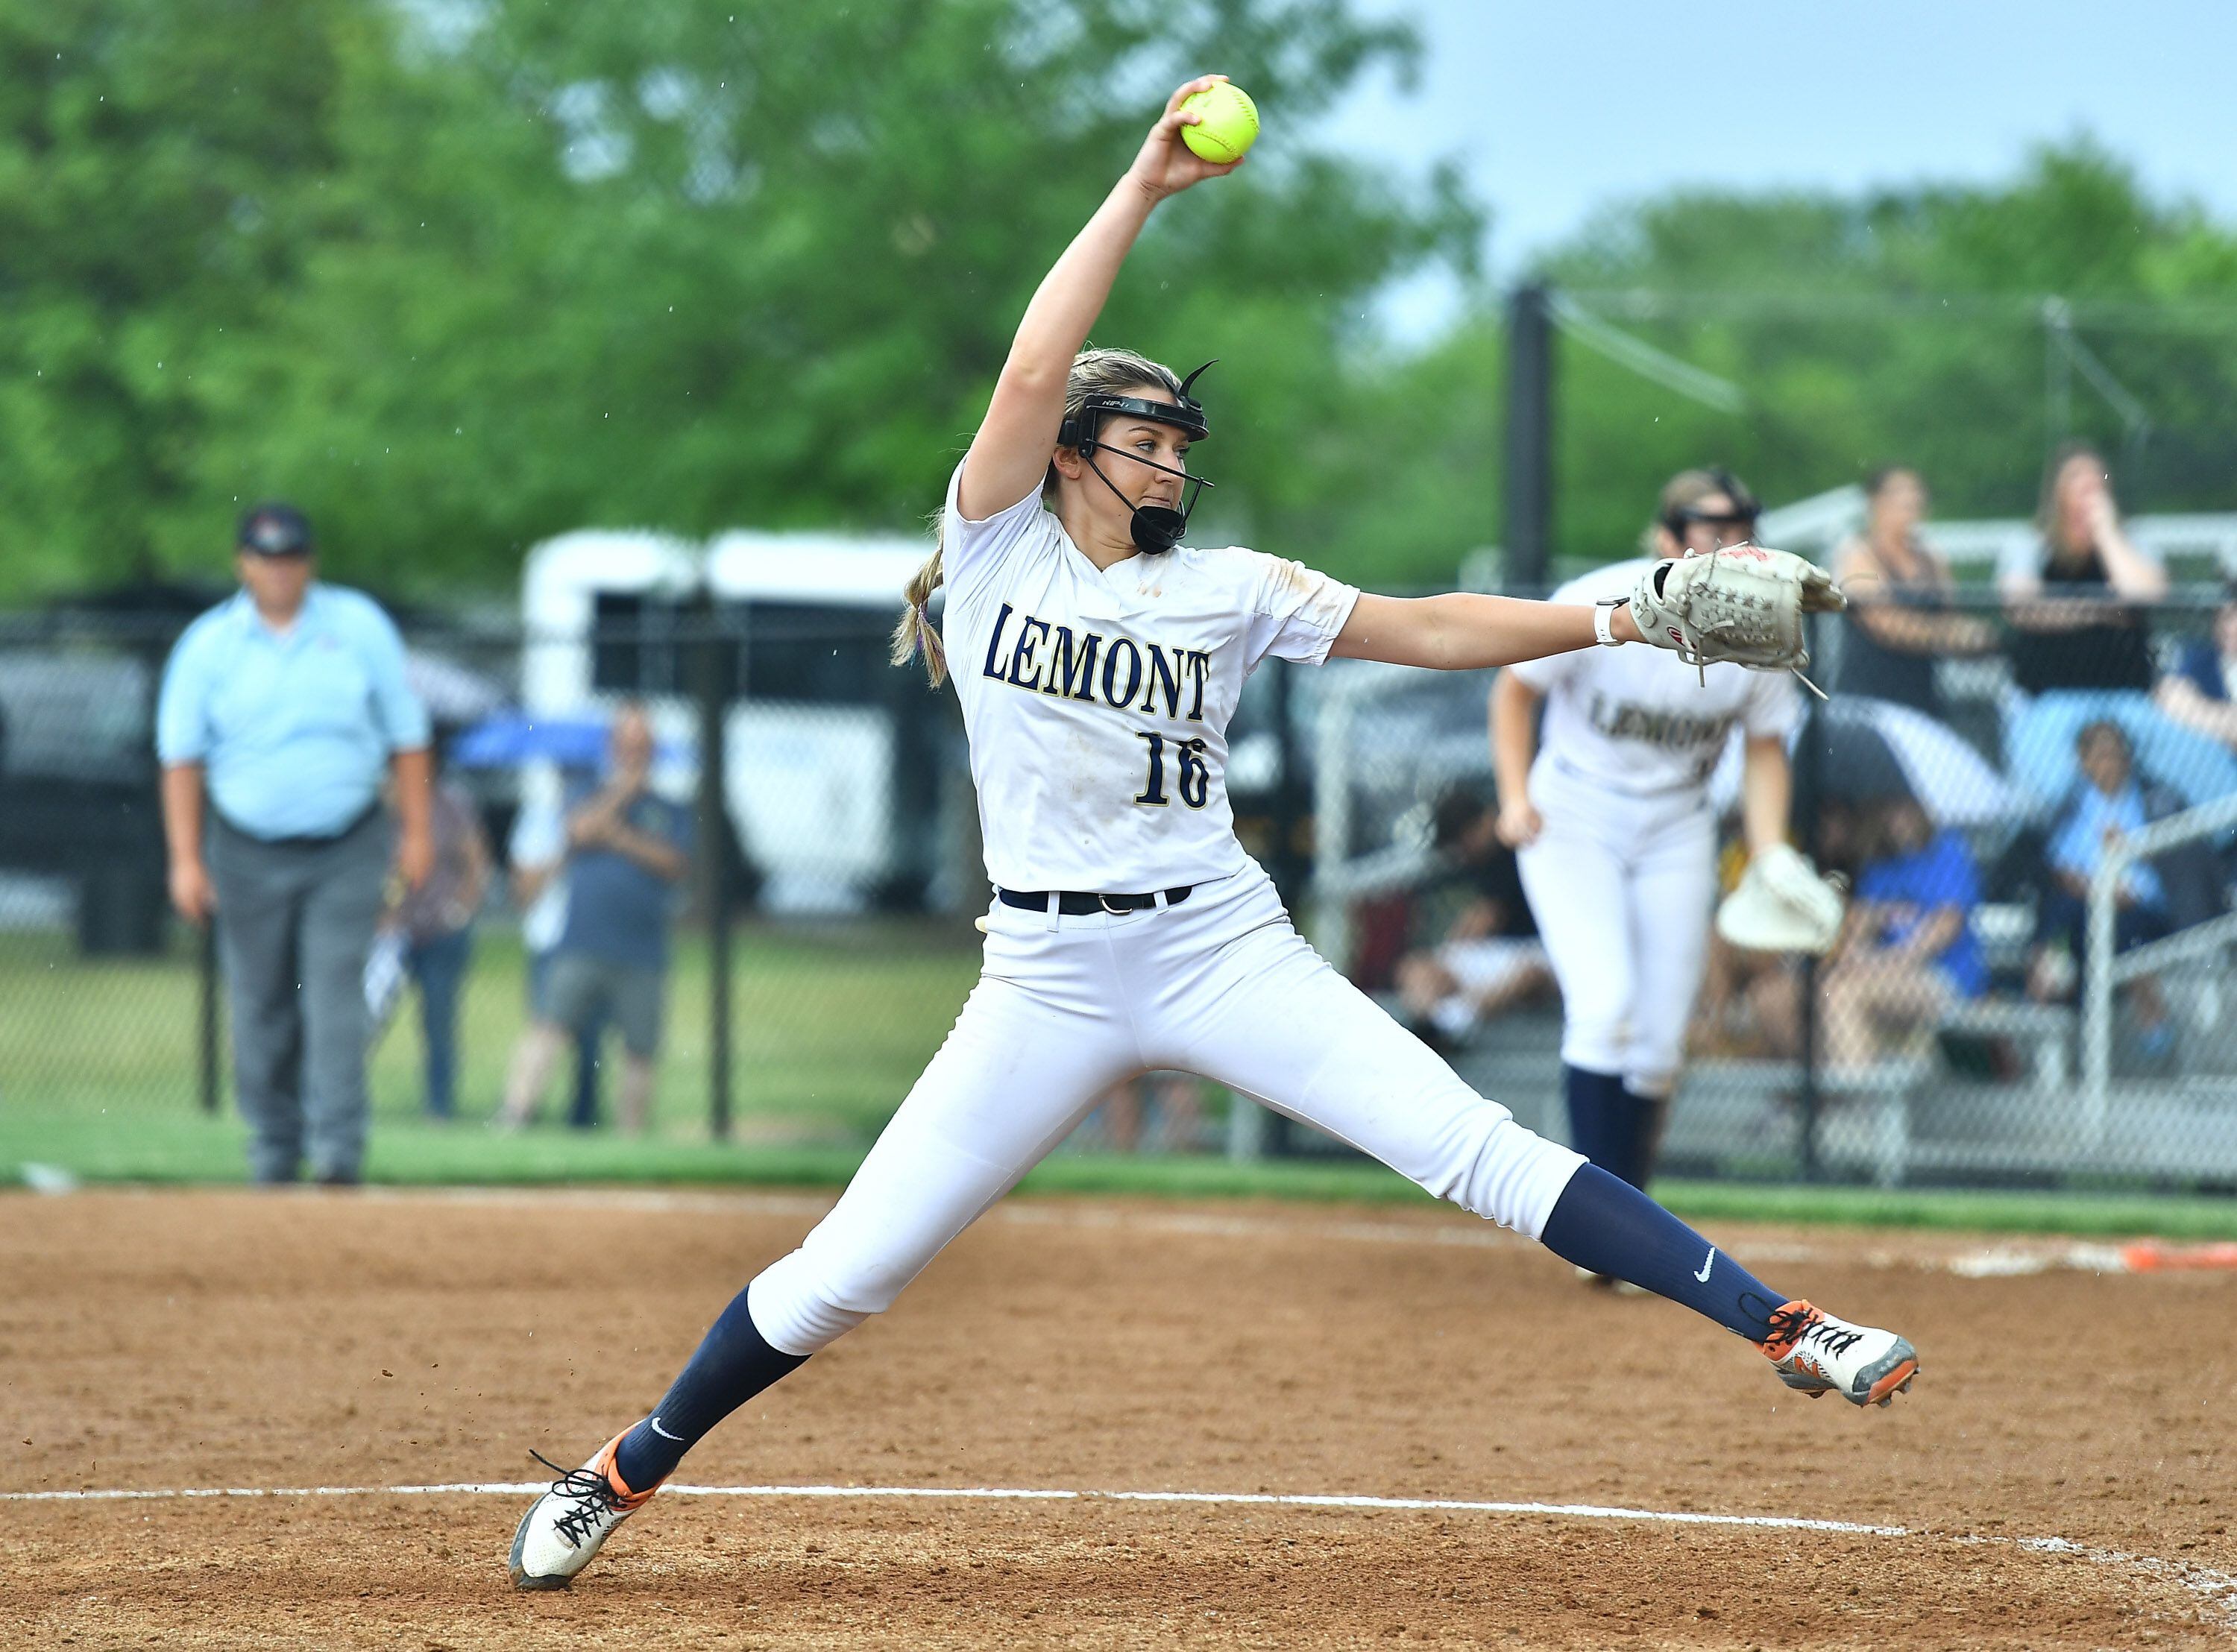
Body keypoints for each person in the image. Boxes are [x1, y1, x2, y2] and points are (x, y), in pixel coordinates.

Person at [506, 80, 1918, 1592]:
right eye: (1146, 440)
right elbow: (1033, 363)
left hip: (1214, 938)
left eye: (1184, 442)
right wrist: (1141, 191)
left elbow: (1432, 628)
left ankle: (1787, 1324)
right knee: (849, 1271)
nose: (1174, 463)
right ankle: (622, 1469)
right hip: (1043, 973)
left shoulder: (1228, 586)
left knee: (1478, 1151)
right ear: (1069, 452)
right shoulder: (994, 550)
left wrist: (1619, 608)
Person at [1489, 467, 1807, 1201]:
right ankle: (1598, 1219)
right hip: (1574, 810)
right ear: (1667, 539)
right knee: (1606, 1005)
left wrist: (1770, 852)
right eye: (1709, 531)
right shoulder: (1602, 600)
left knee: (1662, 1041)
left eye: (1740, 530)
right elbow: (1514, 687)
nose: (1728, 547)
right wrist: (1512, 794)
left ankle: (1631, 1222)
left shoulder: (1762, 631)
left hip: (1676, 822)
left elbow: (1766, 747)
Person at [156, 503, 432, 1185]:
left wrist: (419, 833)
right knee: (262, 1003)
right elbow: (181, 758)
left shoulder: (358, 627)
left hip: (348, 843)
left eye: (292, 558)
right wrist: (186, 859)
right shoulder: (208, 645)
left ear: (309, 562)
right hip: (247, 849)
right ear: (242, 564)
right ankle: (274, 1149)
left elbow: (408, 737)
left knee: (333, 996)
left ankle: (338, 1152)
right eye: (266, 558)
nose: (280, 571)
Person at [1999, 445, 2237, 812]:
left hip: (2129, 698)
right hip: (2053, 701)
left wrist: (2107, 534)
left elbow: (2147, 593)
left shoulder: (2131, 543)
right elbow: (2022, 607)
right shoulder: (2032, 544)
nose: (2090, 489)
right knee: (2055, 796)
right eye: (2078, 480)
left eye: (2098, 480)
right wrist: (2100, 609)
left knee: (2206, 774)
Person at [496, 704, 690, 1134]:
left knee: (639, 1050)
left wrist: (618, 837)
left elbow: (674, 863)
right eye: (626, 743)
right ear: (613, 746)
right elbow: (577, 831)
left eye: (642, 745)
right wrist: (623, 794)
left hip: (642, 950)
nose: (634, 752)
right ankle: (513, 1118)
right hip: (581, 941)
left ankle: (630, 1137)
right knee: (547, 1027)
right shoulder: (585, 791)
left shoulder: (671, 810)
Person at [2027, 721, 2174, 1056]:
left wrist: (2128, 850)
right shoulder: (2075, 804)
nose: (2108, 762)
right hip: (2088, 900)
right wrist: (2098, 888)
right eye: (2098, 755)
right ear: (2083, 761)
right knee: (2063, 910)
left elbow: (2171, 858)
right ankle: (2043, 994)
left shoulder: (2151, 798)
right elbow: (2061, 868)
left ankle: (2152, 1014)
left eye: (2114, 753)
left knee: (2124, 925)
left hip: (2142, 904)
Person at [1818, 796, 1986, 1074]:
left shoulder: (1947, 851)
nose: (1896, 817)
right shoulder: (1880, 864)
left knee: (1842, 996)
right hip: (1883, 975)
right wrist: (1865, 937)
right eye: (1888, 808)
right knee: (1826, 988)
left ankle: (1861, 1109)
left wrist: (1884, 962)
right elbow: (1856, 930)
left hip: (1945, 978)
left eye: (1904, 807)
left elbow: (1945, 928)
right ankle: (1845, 1097)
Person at [1394, 788, 1552, 1049]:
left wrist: (1454, 950)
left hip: (1539, 950)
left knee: (1527, 975)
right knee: (1415, 967)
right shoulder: (1482, 862)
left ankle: (1455, 1025)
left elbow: (1486, 918)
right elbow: (1473, 925)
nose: (1462, 854)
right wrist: (1445, 958)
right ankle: (1427, 1030)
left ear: (1478, 825)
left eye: (1461, 843)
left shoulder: (1515, 841)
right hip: (1494, 955)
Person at [1831, 465, 1995, 714]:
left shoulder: (1931, 556)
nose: (1911, 498)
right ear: (1875, 502)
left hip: (1922, 696)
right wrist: (1951, 635)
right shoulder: (1857, 553)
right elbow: (1885, 623)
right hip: (1870, 700)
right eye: (1899, 491)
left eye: (1915, 491)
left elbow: (1952, 613)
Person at [386, 742, 491, 1119]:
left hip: (440, 932)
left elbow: (476, 862)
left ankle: (439, 1108)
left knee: (439, 1023)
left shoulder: (451, 805)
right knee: (365, 1018)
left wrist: (460, 909)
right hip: (391, 933)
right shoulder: (384, 802)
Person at [507, 764, 608, 1129]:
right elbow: (524, 893)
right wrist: (566, 848)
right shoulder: (540, 818)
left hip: (593, 939)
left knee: (591, 1040)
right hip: (551, 941)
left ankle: (583, 1118)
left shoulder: (604, 814)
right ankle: (522, 1112)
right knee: (547, 1027)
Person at [2153, 582, 2237, 757]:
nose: (2233, 628)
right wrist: (2225, 722)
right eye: (2228, 617)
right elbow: (2171, 696)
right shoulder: (2201, 659)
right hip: (2215, 760)